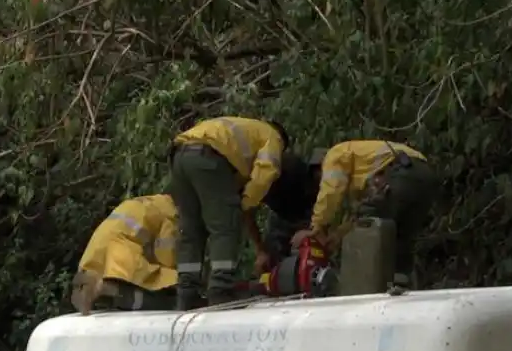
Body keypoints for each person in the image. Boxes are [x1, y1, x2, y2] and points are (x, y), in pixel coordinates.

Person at [168, 116, 295, 308]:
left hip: (179, 156)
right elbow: (265, 172)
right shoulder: (273, 136)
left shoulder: (244, 128)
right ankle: (221, 289)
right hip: (208, 158)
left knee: (191, 230)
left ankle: (187, 292)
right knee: (225, 227)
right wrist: (246, 202)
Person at [290, 141, 442, 290]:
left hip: (403, 172)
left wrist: (315, 227)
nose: (320, 182)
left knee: (370, 228)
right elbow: (359, 214)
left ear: (320, 165)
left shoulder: (334, 155)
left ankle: (362, 285)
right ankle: (401, 283)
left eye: (319, 177)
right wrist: (338, 235)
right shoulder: (360, 169)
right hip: (424, 176)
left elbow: (331, 191)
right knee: (400, 234)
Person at [71, 191, 178, 315]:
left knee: (118, 285)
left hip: (96, 251)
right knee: (153, 295)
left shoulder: (147, 203)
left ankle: (97, 289)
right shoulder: (171, 215)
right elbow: (165, 256)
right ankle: (106, 288)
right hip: (122, 253)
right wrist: (177, 277)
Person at [256, 150, 321, 274]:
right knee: (268, 263)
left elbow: (325, 216)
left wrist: (313, 231)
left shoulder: (296, 171)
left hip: (308, 214)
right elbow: (247, 212)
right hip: (283, 218)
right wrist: (262, 250)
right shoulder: (256, 182)